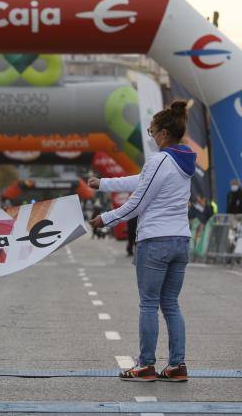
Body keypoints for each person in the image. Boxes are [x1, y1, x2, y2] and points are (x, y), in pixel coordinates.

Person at [88, 100, 195, 382]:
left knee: (149, 304)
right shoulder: (183, 161)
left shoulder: (160, 160)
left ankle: (146, 364)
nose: (151, 137)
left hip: (156, 241)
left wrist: (105, 219)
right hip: (180, 240)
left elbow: (137, 204)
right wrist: (105, 183)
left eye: (151, 132)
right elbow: (143, 180)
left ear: (162, 133)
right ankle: (177, 366)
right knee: (171, 304)